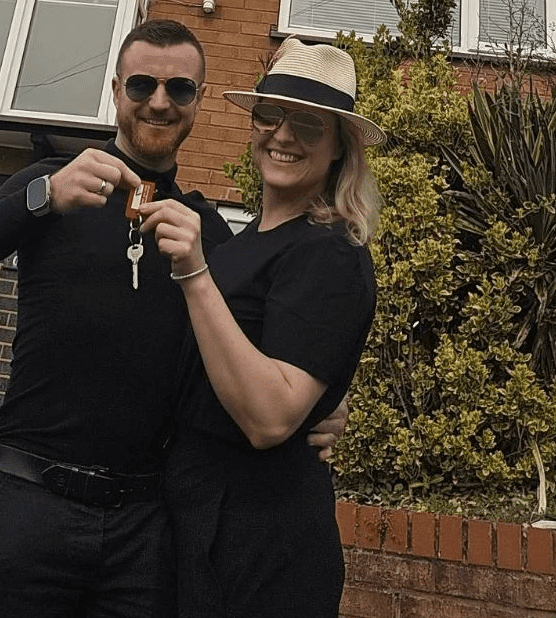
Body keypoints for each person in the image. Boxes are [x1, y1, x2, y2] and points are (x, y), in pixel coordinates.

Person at [0, 20, 344, 618]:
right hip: (30, 503)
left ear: (198, 103)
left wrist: (323, 408)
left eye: (181, 89)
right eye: (143, 84)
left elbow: (255, 364)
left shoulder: (206, 233)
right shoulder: (50, 188)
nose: (160, 102)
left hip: (145, 527)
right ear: (116, 89)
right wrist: (42, 198)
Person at [138, 37, 382, 618]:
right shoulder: (243, 243)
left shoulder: (330, 253)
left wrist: (194, 273)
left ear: (339, 149)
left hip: (262, 543)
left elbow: (272, 418)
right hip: (196, 524)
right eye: (270, 115)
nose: (283, 135)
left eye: (308, 125)